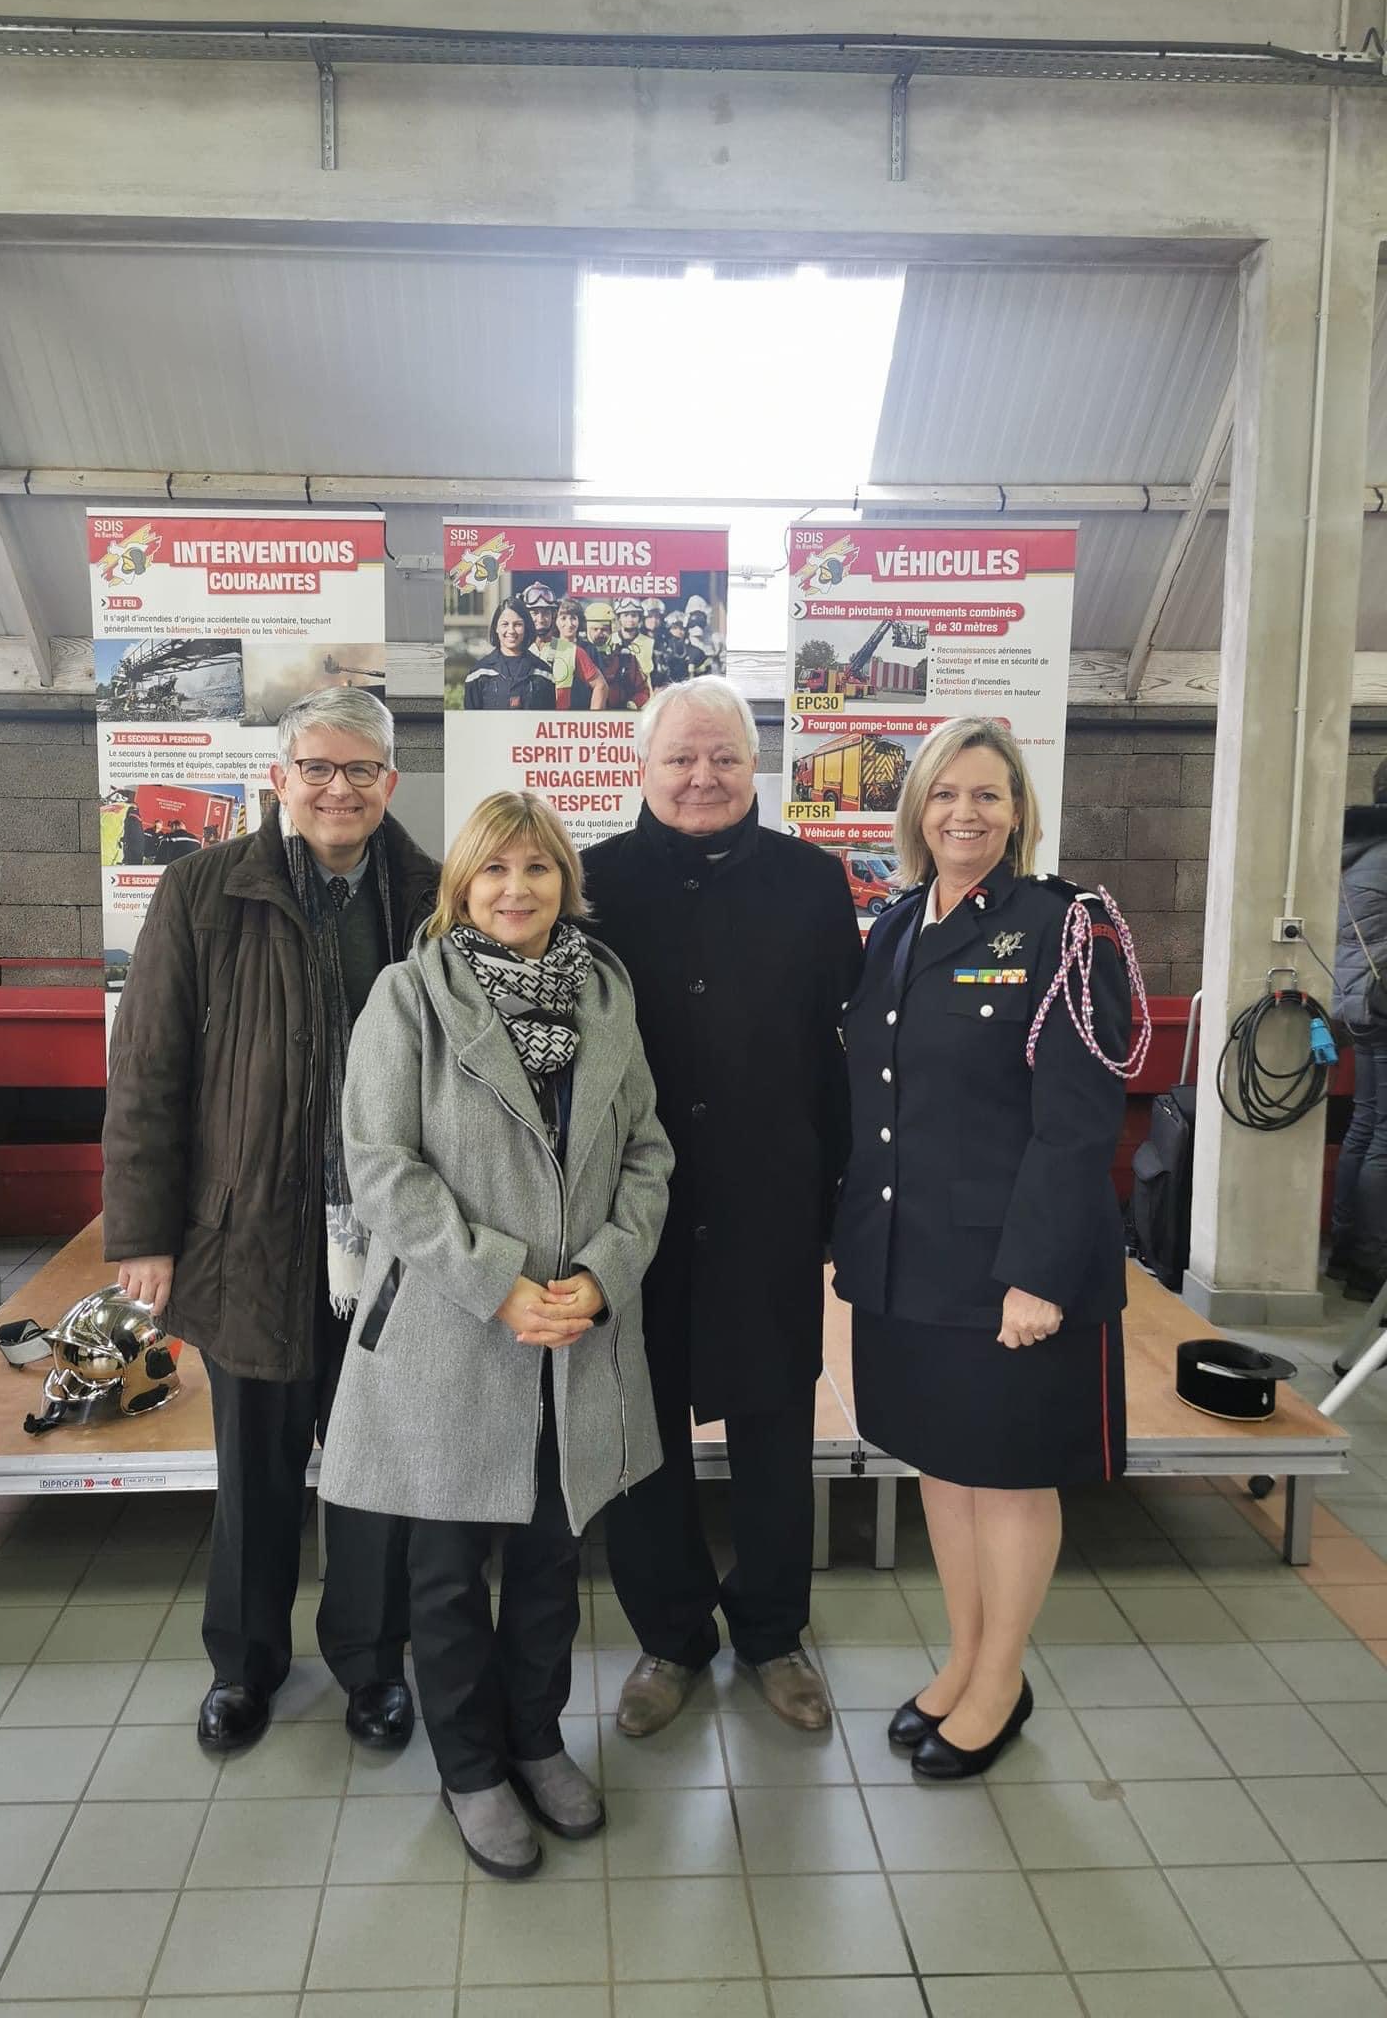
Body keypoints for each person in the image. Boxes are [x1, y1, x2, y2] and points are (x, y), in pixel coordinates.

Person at [319, 792, 672, 1879]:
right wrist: (499, 1283)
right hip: (454, 1329)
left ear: (566, 880)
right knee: (446, 1573)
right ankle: (470, 1766)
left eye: (538, 867)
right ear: (460, 886)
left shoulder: (607, 992)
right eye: (494, 870)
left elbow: (648, 1154)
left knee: (552, 1563)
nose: (517, 888)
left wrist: (603, 1277)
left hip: (575, 1333)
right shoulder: (408, 997)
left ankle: (534, 1737)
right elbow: (380, 1165)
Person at [102, 686, 440, 1756]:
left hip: (393, 1243)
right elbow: (147, 1068)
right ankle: (244, 1666)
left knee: (376, 1466)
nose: (339, 789)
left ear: (390, 782)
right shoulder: (204, 890)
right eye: (318, 768)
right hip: (249, 1234)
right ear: (280, 777)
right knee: (254, 1472)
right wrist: (142, 1233)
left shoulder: (433, 896)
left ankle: (372, 1665)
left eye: (361, 769)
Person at [833, 717, 1134, 1781]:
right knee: (944, 1466)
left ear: (1018, 811)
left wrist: (1037, 1274)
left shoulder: (1065, 929)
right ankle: (963, 1659)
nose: (965, 812)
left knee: (1007, 1478)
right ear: (917, 808)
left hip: (1011, 1267)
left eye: (988, 794)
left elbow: (1079, 1120)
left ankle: (1001, 1680)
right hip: (909, 1254)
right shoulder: (895, 924)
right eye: (945, 792)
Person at [583, 678, 862, 1735]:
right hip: (630, 1214)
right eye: (680, 758)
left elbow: (842, 1055)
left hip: (770, 1202)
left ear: (756, 766)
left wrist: (837, 1203)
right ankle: (670, 1637)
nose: (702, 777)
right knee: (639, 1435)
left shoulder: (812, 882)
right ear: (641, 767)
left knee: (775, 1429)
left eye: (725, 758)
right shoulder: (589, 882)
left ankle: (774, 1632)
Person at [1330, 759, 1387, 1299]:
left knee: (1365, 1125)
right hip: (1382, 1003)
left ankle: (1346, 1249)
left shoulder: (1357, 848)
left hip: (1358, 1002)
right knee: (1383, 1137)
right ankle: (1372, 1266)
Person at [463, 596, 557, 711]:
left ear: (526, 627)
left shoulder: (544, 673)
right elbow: (471, 720)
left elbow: (547, 719)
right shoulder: (479, 674)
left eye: (518, 624)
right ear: (496, 628)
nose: (511, 631)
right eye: (505, 624)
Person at [551, 596, 590, 709]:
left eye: (573, 618)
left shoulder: (589, 649)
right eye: (563, 618)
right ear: (555, 621)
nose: (569, 623)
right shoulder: (551, 647)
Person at [614, 596, 653, 685]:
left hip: (643, 691)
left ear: (639, 618)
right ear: (619, 618)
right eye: (625, 615)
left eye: (634, 615)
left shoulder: (650, 643)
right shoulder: (610, 640)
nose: (630, 619)